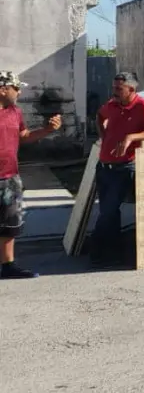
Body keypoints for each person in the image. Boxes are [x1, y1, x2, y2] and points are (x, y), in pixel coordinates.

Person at [92, 72, 144, 267]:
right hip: (104, 166)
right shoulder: (112, 105)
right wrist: (104, 136)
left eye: (118, 89)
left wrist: (131, 137)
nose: (114, 92)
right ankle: (111, 254)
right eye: (114, 88)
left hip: (124, 167)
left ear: (131, 89)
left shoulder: (143, 106)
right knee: (108, 212)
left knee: (109, 211)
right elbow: (99, 115)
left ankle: (100, 252)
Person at [0, 71, 62, 280]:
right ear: (3, 89)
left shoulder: (15, 112)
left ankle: (7, 266)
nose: (19, 92)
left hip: (9, 177)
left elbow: (23, 136)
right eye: (16, 88)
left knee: (10, 224)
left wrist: (47, 130)